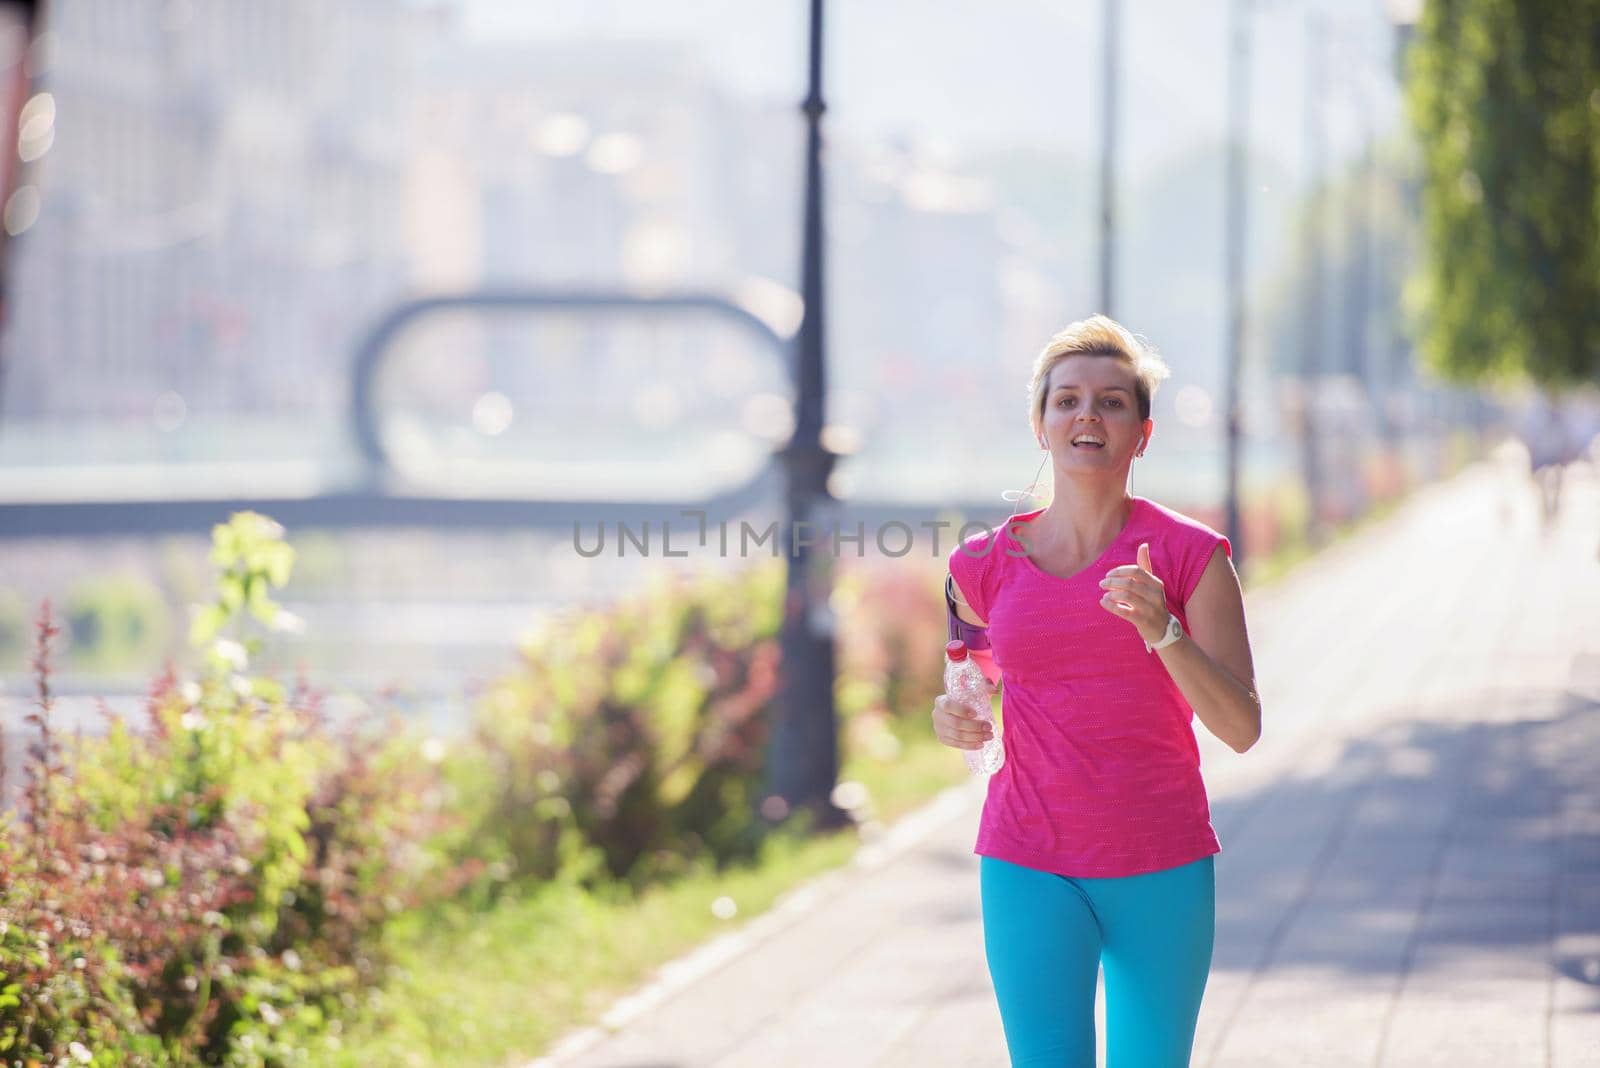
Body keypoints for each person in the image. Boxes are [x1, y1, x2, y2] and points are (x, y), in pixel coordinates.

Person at [931, 315, 1261, 1067]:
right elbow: (970, 681)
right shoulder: (980, 565)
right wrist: (953, 716)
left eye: (1112, 402)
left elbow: (1241, 727)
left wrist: (1163, 630)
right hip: (1027, 861)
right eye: (1068, 400)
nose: (1088, 415)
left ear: (1142, 434)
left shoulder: (1190, 557)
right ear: (1040, 424)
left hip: (1162, 864)